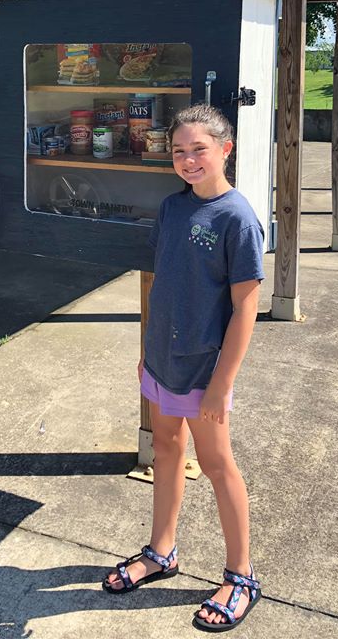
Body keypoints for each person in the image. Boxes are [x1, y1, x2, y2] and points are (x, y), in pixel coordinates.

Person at [102, 104, 263, 632]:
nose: (189, 160)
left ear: (225, 150)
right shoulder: (172, 208)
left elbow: (245, 308)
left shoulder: (238, 218)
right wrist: (148, 352)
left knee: (217, 465)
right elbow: (165, 283)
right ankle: (162, 551)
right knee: (167, 449)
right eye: (178, 151)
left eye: (199, 149)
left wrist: (221, 383)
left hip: (203, 370)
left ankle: (241, 575)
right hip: (162, 360)